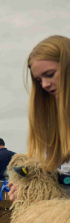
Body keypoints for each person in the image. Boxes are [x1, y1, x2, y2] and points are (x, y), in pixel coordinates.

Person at [11, 35, 70, 200]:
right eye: (39, 80)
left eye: (50, 74)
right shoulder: (53, 121)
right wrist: (28, 188)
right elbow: (55, 173)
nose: (44, 85)